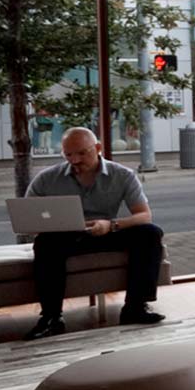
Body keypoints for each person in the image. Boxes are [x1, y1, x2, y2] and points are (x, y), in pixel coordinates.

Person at [23, 127, 166, 339]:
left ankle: (135, 308)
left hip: (106, 232)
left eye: (82, 153)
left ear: (97, 148)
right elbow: (27, 219)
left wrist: (111, 225)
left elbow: (144, 215)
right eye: (68, 154)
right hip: (66, 237)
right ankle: (51, 318)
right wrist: (48, 225)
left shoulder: (122, 175)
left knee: (150, 233)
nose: (75, 160)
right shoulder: (47, 179)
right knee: (45, 243)